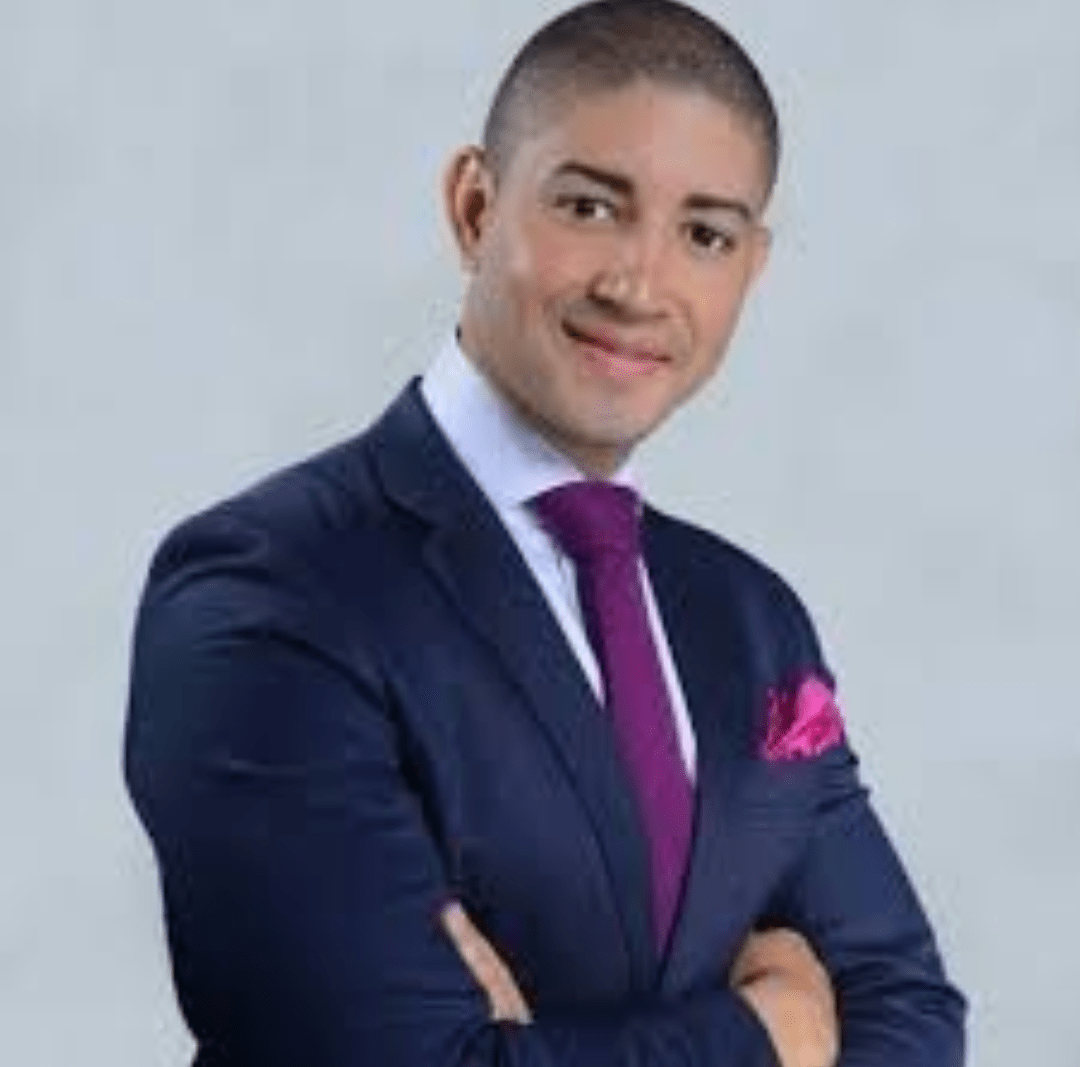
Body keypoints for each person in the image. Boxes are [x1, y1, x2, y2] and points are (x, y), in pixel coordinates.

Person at [124, 2, 966, 1066]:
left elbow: (912, 1012)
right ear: (475, 207)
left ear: (750, 269)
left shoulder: (750, 619)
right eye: (590, 207)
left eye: (704, 234)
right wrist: (770, 1035)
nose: (639, 284)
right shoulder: (269, 593)